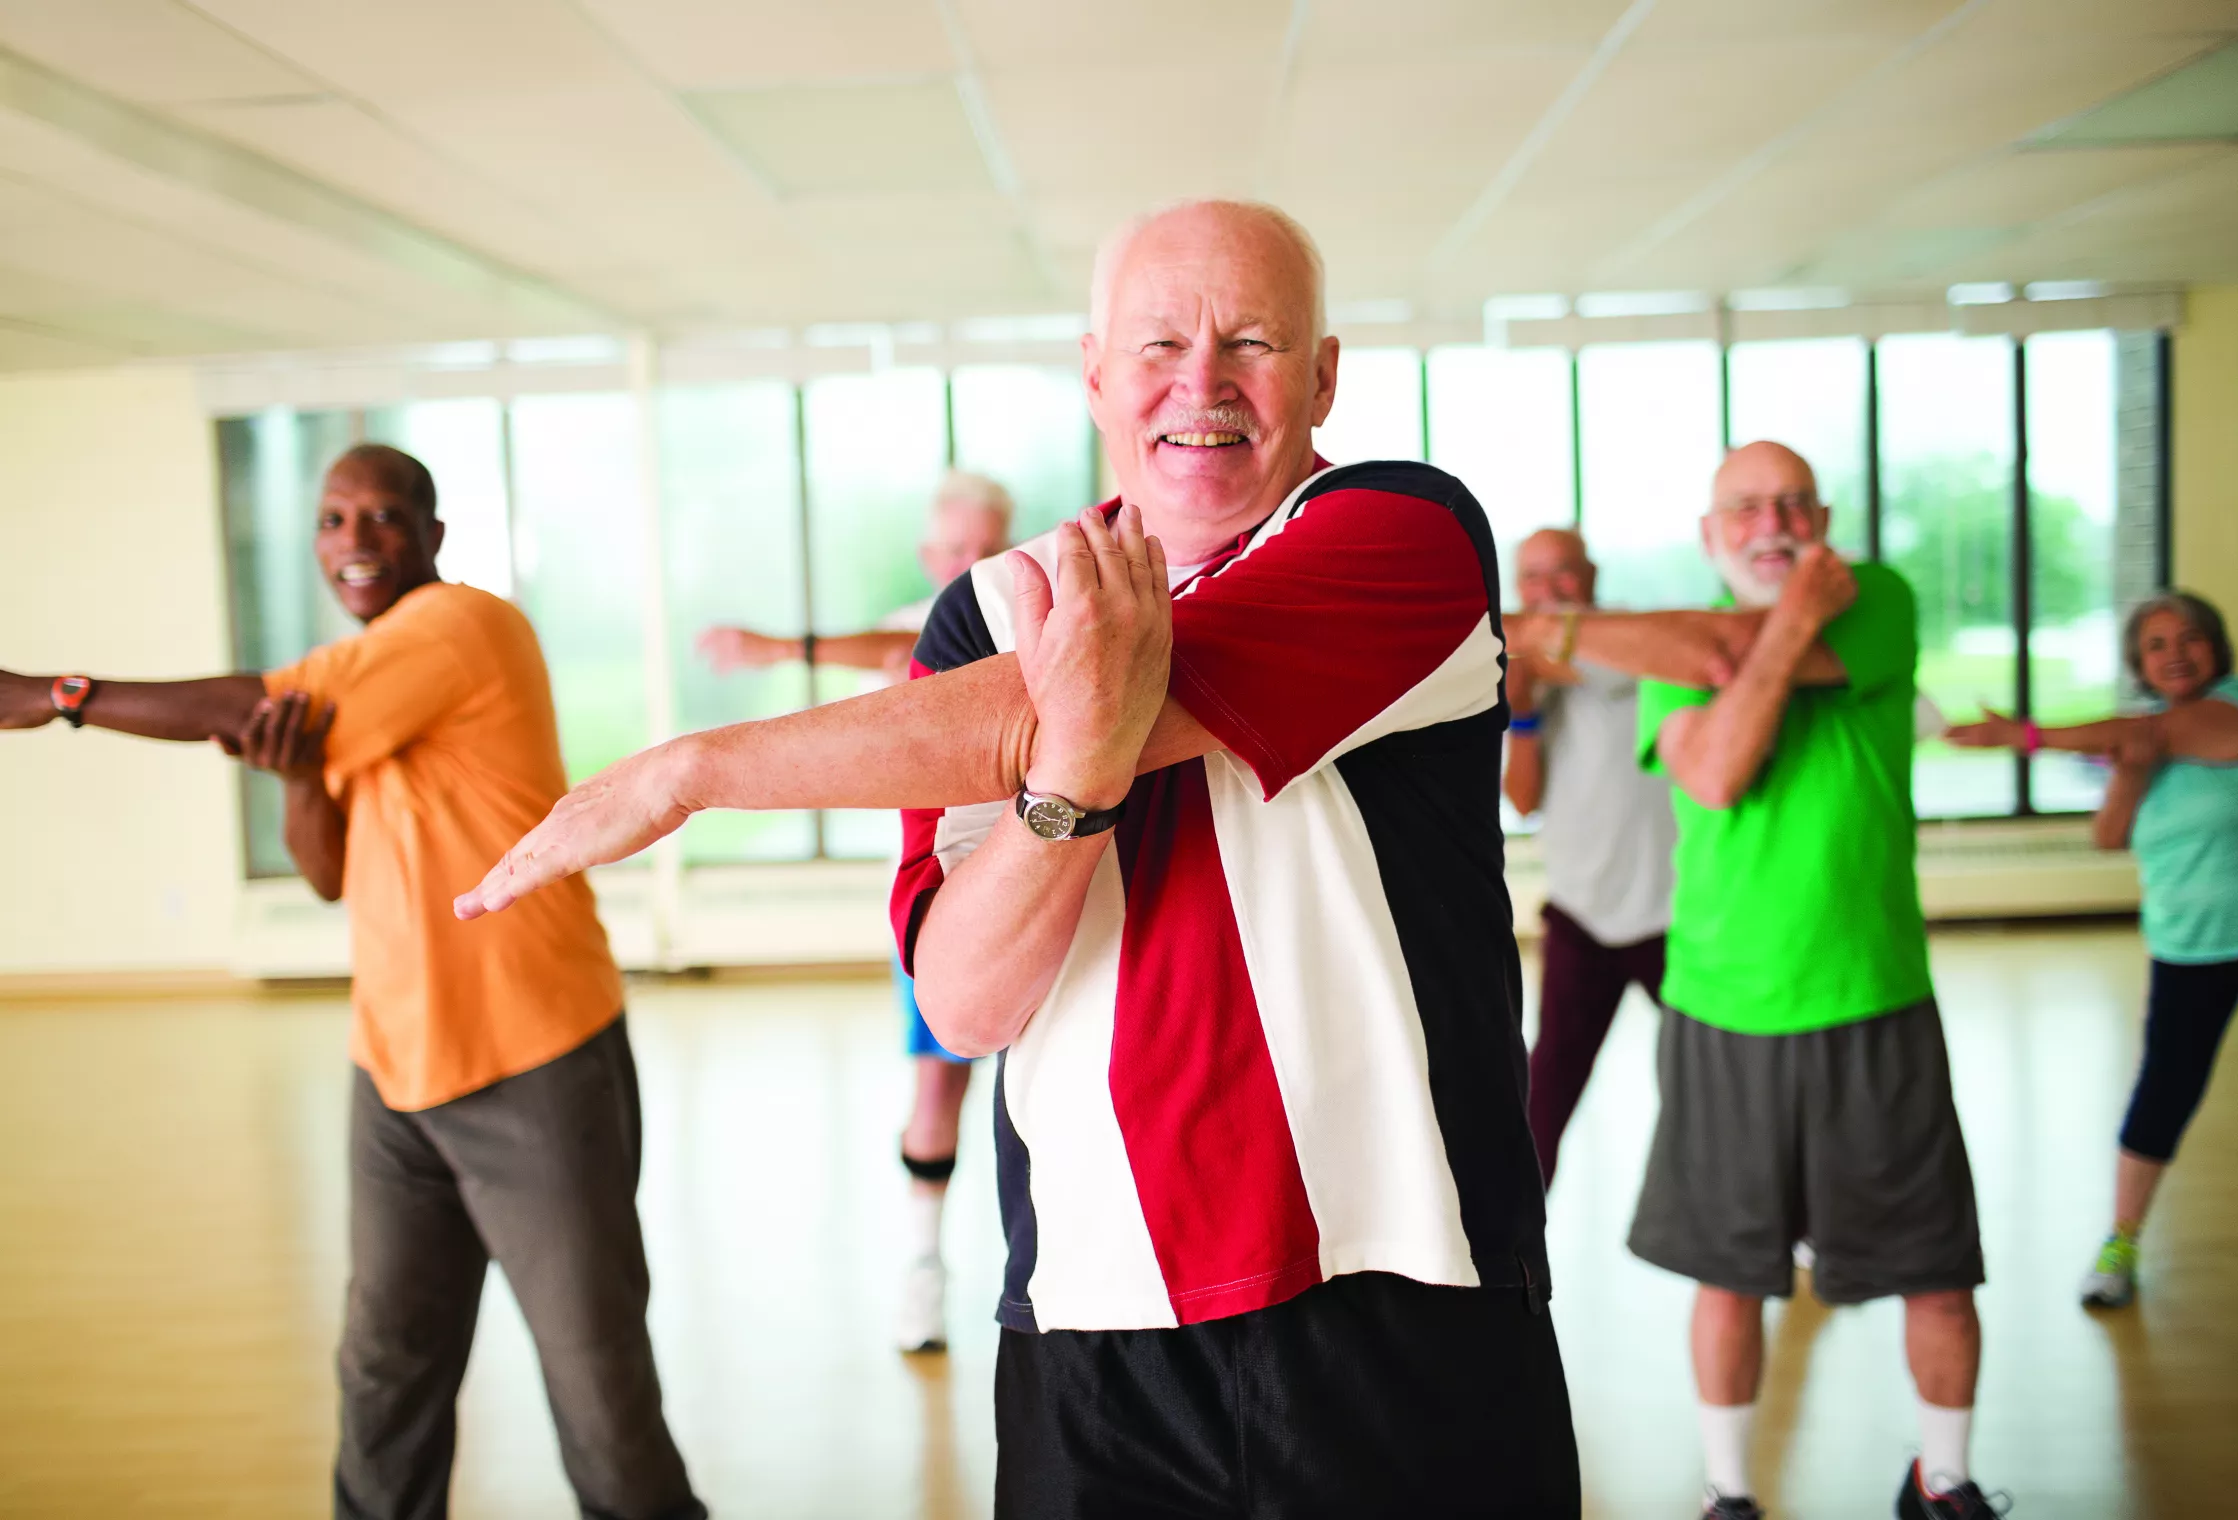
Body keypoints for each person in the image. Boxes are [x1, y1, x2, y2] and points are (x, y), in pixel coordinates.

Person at [459, 199, 1580, 1518]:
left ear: (1323, 374)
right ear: (1096, 370)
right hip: (1089, 1322)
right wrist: (1072, 776)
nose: (1201, 382)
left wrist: (689, 770)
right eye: (1159, 342)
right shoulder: (984, 612)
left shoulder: (1403, 533)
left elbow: (1061, 703)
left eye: (1254, 342)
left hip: (1405, 1291)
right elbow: (967, 1001)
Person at [0, 444, 703, 1520]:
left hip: (534, 1053)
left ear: (433, 536)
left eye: (382, 515)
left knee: (598, 1387)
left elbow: (247, 701)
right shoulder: (365, 683)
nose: (354, 539)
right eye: (332, 518)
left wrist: (55, 695)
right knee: (385, 1372)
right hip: (394, 1067)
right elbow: (329, 870)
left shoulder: (463, 628)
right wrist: (294, 777)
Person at [1512, 441, 2001, 1520]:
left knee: (1936, 1269)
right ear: (1709, 534)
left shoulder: (1878, 597)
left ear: (1821, 518)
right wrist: (1772, 630)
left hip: (1874, 996)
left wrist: (1551, 633)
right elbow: (1721, 770)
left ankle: (1947, 1478)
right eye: (1745, 507)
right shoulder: (1689, 647)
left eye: (1791, 504)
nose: (1771, 523)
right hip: (1723, 1007)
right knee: (1728, 1272)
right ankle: (1728, 1491)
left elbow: (1735, 652)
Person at [697, 470, 1016, 1354]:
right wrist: (776, 648)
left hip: (1048, 881)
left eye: (985, 546)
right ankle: (923, 1268)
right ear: (928, 556)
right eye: (954, 550)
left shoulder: (1029, 609)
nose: (970, 564)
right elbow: (886, 641)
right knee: (936, 1088)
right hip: (947, 904)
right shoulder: (922, 628)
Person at [1946, 591, 2238, 1309]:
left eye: (2189, 637)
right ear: (2140, 666)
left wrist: (2027, 737)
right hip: (2189, 945)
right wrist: (2128, 766)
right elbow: (2108, 834)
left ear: (2216, 647)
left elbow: (2183, 737)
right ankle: (2120, 1242)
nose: (2176, 653)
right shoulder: (2142, 739)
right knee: (2165, 1092)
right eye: (2156, 646)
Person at [1503, 527, 1676, 1187]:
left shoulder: (1641, 639)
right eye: (1534, 580)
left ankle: (1779, 1222)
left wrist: (1540, 661)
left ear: (1593, 573)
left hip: (1676, 912)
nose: (1550, 592)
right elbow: (1522, 800)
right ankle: (1514, 1250)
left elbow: (1588, 660)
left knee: (1717, 1077)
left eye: (1564, 574)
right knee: (1546, 1093)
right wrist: (1522, 711)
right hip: (1582, 915)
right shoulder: (1519, 676)